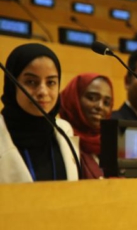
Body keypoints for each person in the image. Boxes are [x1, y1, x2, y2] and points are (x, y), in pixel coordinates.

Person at [0, 43, 79, 183]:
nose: (43, 91)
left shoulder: (64, 130)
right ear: (12, 85)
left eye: (51, 82)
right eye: (31, 82)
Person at [60, 73, 114, 179]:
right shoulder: (58, 140)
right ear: (73, 98)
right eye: (92, 98)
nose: (100, 107)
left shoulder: (110, 144)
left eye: (106, 102)